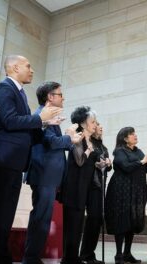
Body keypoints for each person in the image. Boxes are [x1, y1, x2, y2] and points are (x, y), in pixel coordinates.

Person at [0, 55, 61, 264]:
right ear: (14, 68)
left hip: (13, 162)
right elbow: (9, 121)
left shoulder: (19, 93)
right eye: (28, 65)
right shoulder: (5, 88)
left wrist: (42, 124)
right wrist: (40, 119)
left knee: (4, 216)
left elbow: (23, 126)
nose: (32, 70)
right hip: (1, 159)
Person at [22, 82, 81, 264]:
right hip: (43, 173)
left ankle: (33, 257)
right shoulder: (42, 114)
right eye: (60, 94)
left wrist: (68, 139)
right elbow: (52, 142)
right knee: (40, 218)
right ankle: (30, 258)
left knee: (43, 218)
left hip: (49, 174)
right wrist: (69, 137)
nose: (63, 97)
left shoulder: (50, 115)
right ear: (50, 97)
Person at [105, 127, 147, 264]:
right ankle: (118, 255)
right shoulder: (120, 151)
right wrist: (142, 161)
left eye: (135, 133)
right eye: (132, 134)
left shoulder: (138, 151)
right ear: (125, 138)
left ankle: (127, 253)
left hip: (137, 191)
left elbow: (146, 170)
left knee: (133, 222)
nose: (135, 136)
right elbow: (126, 166)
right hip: (121, 191)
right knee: (122, 221)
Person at [60, 106, 99, 264]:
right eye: (92, 122)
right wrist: (89, 151)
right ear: (83, 124)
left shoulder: (91, 141)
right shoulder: (78, 137)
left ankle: (74, 257)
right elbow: (79, 160)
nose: (95, 124)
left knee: (79, 225)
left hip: (86, 187)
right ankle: (69, 258)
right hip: (75, 187)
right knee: (73, 225)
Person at [79, 122, 112, 264]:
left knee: (97, 219)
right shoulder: (88, 142)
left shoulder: (103, 147)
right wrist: (96, 164)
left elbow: (106, 167)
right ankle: (84, 254)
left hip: (99, 185)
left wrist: (108, 164)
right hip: (89, 184)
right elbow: (86, 161)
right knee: (93, 218)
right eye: (97, 124)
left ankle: (89, 254)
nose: (101, 126)